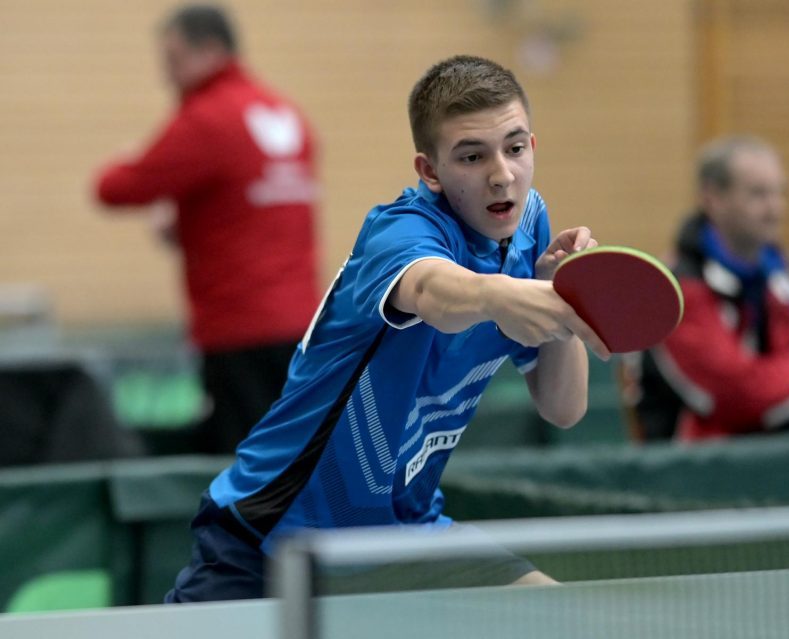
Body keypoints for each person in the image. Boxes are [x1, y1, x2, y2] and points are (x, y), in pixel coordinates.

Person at [164, 55, 610, 603]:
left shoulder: (529, 226)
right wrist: (512, 295)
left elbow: (563, 409)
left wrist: (562, 307)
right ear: (429, 170)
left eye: (515, 148)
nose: (502, 174)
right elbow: (433, 293)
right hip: (277, 539)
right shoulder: (399, 232)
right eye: (472, 156)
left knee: (567, 617)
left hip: (406, 534)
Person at [92, 5, 321, 454]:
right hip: (300, 323)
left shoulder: (207, 120)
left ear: (211, 51)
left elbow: (114, 188)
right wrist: (184, 226)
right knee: (294, 455)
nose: (168, 76)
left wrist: (132, 157)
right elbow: (246, 211)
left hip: (238, 329)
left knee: (246, 463)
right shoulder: (287, 115)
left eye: (174, 61)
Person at [620, 135, 789, 442]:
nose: (775, 209)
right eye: (758, 194)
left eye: (779, 193)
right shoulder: (675, 290)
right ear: (712, 198)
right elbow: (735, 395)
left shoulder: (783, 279)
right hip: (685, 475)